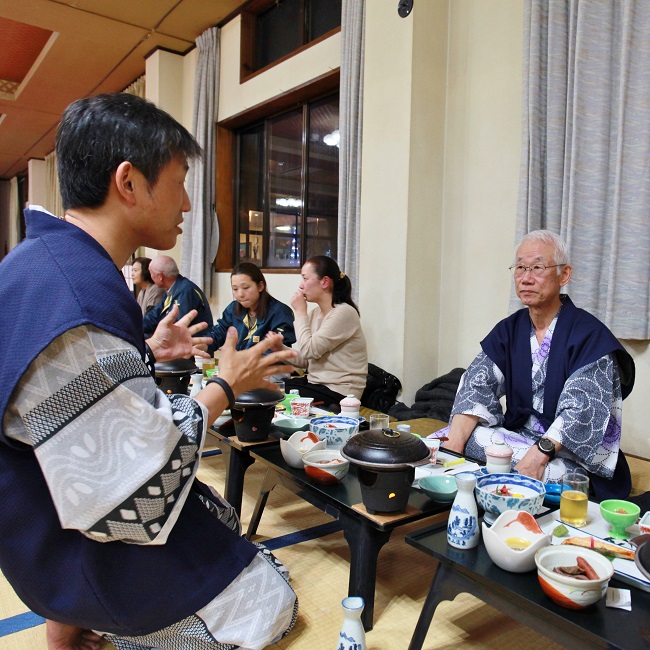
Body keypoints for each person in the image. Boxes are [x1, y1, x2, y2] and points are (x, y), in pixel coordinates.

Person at [0, 93, 298, 650]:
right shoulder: (74, 296)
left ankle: (70, 615)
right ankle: (77, 615)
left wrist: (145, 351)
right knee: (273, 599)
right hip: (74, 546)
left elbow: (76, 398)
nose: (188, 203)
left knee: (221, 520)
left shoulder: (44, 264)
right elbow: (134, 491)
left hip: (44, 513)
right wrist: (224, 386)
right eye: (181, 179)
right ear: (129, 182)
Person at [442, 230, 635, 500]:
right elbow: (476, 386)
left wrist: (537, 456)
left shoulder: (590, 336)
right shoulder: (510, 330)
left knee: (547, 471)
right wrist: (450, 453)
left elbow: (581, 413)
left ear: (564, 275)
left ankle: (506, 474)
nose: (526, 277)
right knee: (448, 436)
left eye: (537, 267)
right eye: (520, 267)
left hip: (565, 454)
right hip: (518, 438)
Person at [269, 256, 368, 411]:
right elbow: (307, 361)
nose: (301, 286)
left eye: (305, 278)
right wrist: (280, 349)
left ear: (325, 282)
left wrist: (300, 312)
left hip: (340, 392)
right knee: (268, 387)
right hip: (317, 385)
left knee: (273, 395)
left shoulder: (344, 313)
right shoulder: (316, 313)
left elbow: (310, 350)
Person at [207, 262, 295, 353]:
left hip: (268, 366)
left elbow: (277, 352)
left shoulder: (280, 313)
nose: (240, 294)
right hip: (239, 365)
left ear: (260, 286)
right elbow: (217, 335)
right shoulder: (233, 309)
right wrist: (201, 344)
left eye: (245, 287)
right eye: (235, 289)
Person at [142, 255, 213, 338]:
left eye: (151, 273)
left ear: (160, 277)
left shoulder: (186, 291)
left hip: (193, 345)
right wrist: (136, 327)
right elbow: (155, 316)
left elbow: (176, 325)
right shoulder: (172, 289)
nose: (150, 276)